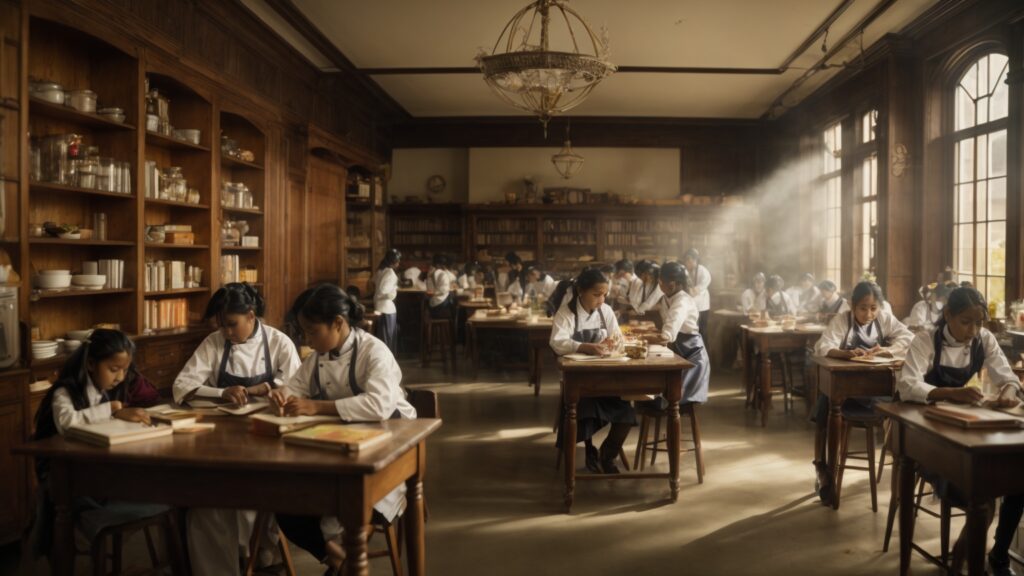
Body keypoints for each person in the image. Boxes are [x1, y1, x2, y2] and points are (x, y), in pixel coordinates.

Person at [270, 284, 416, 574]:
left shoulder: (374, 352)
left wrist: (318, 408)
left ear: (338, 323)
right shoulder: (318, 358)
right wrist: (282, 395)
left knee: (340, 508)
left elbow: (379, 406)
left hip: (387, 451)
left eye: (312, 331)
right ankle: (341, 561)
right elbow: (295, 387)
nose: (308, 340)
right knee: (285, 507)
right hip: (340, 448)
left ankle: (340, 561)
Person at [172, 283, 301, 576]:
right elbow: (181, 386)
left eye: (232, 324)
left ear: (252, 316)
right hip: (222, 434)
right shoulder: (215, 342)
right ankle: (235, 559)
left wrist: (266, 386)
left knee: (249, 491)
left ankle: (252, 551)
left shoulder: (279, 342)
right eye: (222, 325)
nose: (227, 332)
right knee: (212, 497)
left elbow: (296, 385)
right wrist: (222, 393)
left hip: (267, 433)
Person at [898, 286, 1022, 575]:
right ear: (948, 315)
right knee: (986, 497)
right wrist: (948, 393)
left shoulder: (984, 339)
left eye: (979, 322)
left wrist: (1009, 391)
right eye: (966, 322)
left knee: (1017, 479)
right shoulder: (926, 339)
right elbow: (906, 385)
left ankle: (998, 555)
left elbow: (1008, 376)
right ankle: (961, 560)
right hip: (928, 433)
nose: (973, 330)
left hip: (965, 427)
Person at [28, 329, 167, 560]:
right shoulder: (65, 391)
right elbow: (68, 424)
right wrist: (112, 410)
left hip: (96, 466)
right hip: (63, 472)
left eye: (124, 369)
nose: (121, 377)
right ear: (91, 364)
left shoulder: (109, 388)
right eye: (114, 369)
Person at [810, 281, 914, 505]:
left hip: (875, 388)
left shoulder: (884, 318)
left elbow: (907, 337)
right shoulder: (842, 320)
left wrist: (888, 349)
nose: (869, 314)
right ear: (852, 306)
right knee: (826, 402)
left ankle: (900, 465)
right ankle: (823, 466)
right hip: (845, 387)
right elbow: (822, 346)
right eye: (863, 308)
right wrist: (844, 354)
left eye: (874, 308)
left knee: (900, 402)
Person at [549, 268, 633, 474]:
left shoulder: (606, 312)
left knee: (627, 412)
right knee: (583, 409)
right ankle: (589, 449)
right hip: (579, 382)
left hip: (606, 375)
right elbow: (557, 342)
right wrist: (583, 346)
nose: (601, 300)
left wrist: (612, 344)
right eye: (596, 295)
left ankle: (608, 454)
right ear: (580, 291)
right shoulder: (566, 312)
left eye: (604, 294)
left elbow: (618, 340)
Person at [644, 262, 710, 405]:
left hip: (691, 355)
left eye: (660, 282)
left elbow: (669, 331)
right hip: (678, 350)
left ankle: (659, 403)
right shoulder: (668, 297)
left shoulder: (682, 301)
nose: (659, 286)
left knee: (672, 395)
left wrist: (644, 338)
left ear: (672, 284)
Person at [372, 249, 401, 353]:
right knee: (387, 339)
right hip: (387, 309)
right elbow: (383, 291)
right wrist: (394, 291)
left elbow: (372, 284)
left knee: (381, 338)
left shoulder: (380, 270)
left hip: (378, 306)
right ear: (394, 262)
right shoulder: (390, 273)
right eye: (398, 261)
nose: (399, 263)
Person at [683, 249, 712, 339]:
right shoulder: (688, 271)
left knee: (702, 332)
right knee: (693, 331)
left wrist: (690, 291)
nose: (686, 263)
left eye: (688, 260)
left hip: (702, 306)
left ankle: (703, 351)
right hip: (693, 306)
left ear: (692, 259)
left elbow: (695, 291)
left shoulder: (703, 271)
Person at [425, 254, 455, 318]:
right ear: (440, 265)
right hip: (440, 304)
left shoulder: (430, 273)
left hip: (432, 303)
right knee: (455, 305)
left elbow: (429, 289)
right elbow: (444, 290)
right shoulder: (443, 274)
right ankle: (452, 325)